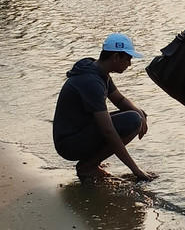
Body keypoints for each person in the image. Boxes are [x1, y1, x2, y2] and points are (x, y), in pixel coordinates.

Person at [53, 32, 154, 181]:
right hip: (68, 143)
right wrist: (136, 170)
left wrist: (141, 113)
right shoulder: (91, 82)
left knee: (136, 115)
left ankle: (93, 161)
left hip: (79, 131)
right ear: (115, 57)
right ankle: (87, 167)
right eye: (128, 59)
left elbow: (119, 100)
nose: (129, 64)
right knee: (133, 121)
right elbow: (108, 131)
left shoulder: (98, 71)